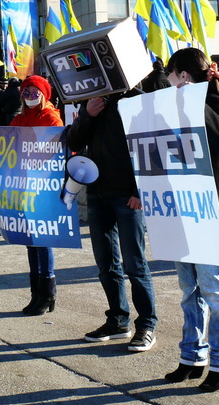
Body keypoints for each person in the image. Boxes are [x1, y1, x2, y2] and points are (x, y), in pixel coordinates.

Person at [164, 47, 219, 392]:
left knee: (214, 291)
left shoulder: (214, 102)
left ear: (183, 75)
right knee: (188, 291)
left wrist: (192, 99)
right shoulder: (170, 105)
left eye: (170, 73)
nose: (166, 80)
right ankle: (192, 357)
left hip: (208, 214)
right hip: (180, 212)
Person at [67, 88, 158, 352]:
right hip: (98, 193)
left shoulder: (137, 99)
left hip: (127, 196)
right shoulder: (92, 101)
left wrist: (140, 190)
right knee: (106, 263)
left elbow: (150, 146)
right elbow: (74, 142)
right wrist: (88, 115)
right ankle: (118, 320)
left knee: (135, 265)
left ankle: (147, 325)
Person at [10, 75, 63, 315]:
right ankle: (36, 293)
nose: (30, 97)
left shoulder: (51, 117)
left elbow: (58, 149)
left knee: (42, 239)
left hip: (43, 185)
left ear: (44, 94)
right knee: (30, 240)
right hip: (23, 182)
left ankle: (47, 292)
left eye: (34, 93)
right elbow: (5, 143)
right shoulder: (19, 119)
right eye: (26, 93)